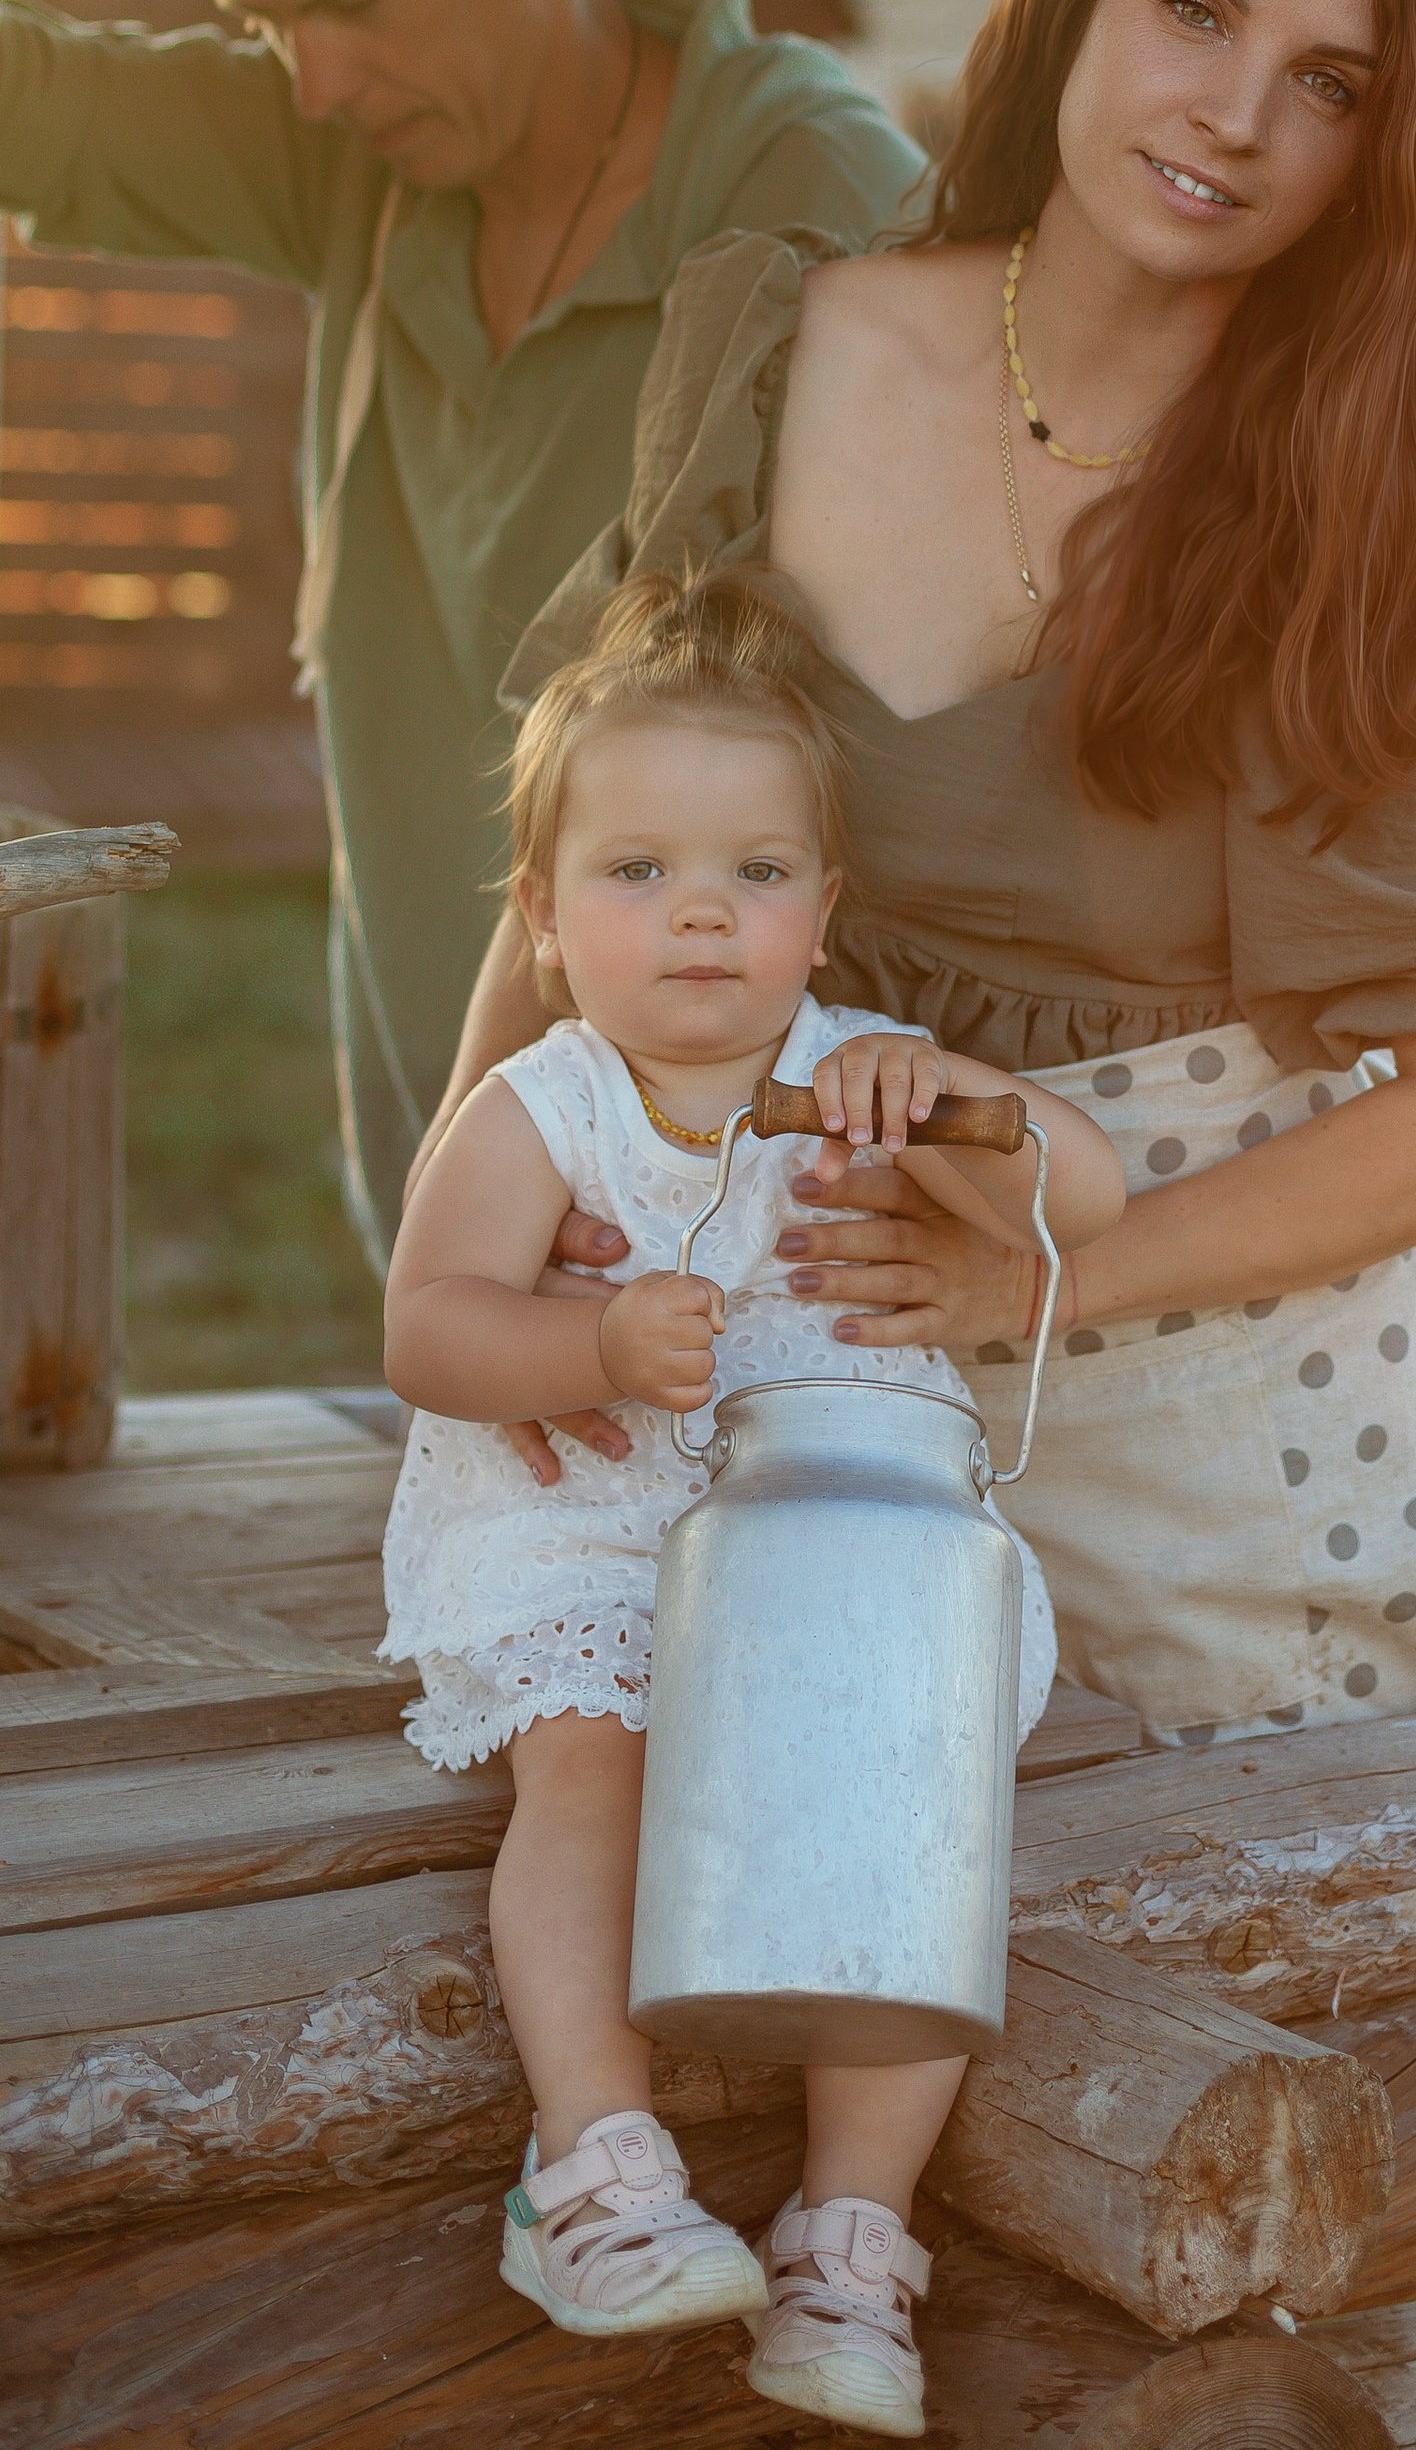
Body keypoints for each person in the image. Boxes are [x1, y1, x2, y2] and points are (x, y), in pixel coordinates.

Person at [430, 0, 1416, 2034]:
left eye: (1331, 84)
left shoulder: (1393, 503)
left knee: (1257, 2111)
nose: (1232, 115)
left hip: (1232, 1411)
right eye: (1195, 9)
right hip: (796, 1343)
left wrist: (1036, 1276)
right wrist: (487, 1242)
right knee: (762, 2019)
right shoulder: (780, 341)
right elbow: (588, 865)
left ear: (1391, 155)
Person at [0, 0, 919, 1249]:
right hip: (438, 1205)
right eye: (269, 24)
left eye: (354, 2)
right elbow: (36, 97)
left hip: (744, 1230)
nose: (315, 81)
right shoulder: (358, 152)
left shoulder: (807, 192)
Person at [382, 567, 1122, 2435]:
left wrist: (959, 1102)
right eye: (635, 873)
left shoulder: (862, 1081)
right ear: (543, 919)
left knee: (903, 1826)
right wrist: (591, 1349)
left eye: (755, 873)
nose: (699, 910)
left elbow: (1087, 1200)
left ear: (824, 911)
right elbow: (427, 1327)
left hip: (843, 1535)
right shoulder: (540, 1107)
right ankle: (599, 2168)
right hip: (600, 1520)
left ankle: (849, 2240)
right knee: (594, 1766)